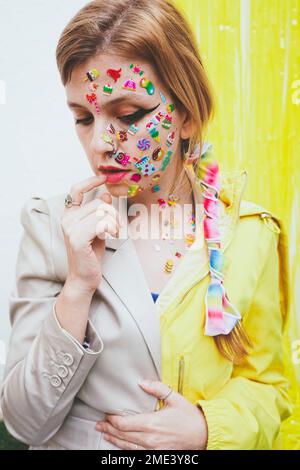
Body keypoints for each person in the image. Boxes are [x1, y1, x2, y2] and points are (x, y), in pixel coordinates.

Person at [1, 0, 292, 450]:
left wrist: (208, 427)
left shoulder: (251, 234)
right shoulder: (49, 227)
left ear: (187, 114)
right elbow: (23, 422)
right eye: (83, 117)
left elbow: (270, 389)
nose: (100, 143)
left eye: (129, 114)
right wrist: (77, 287)